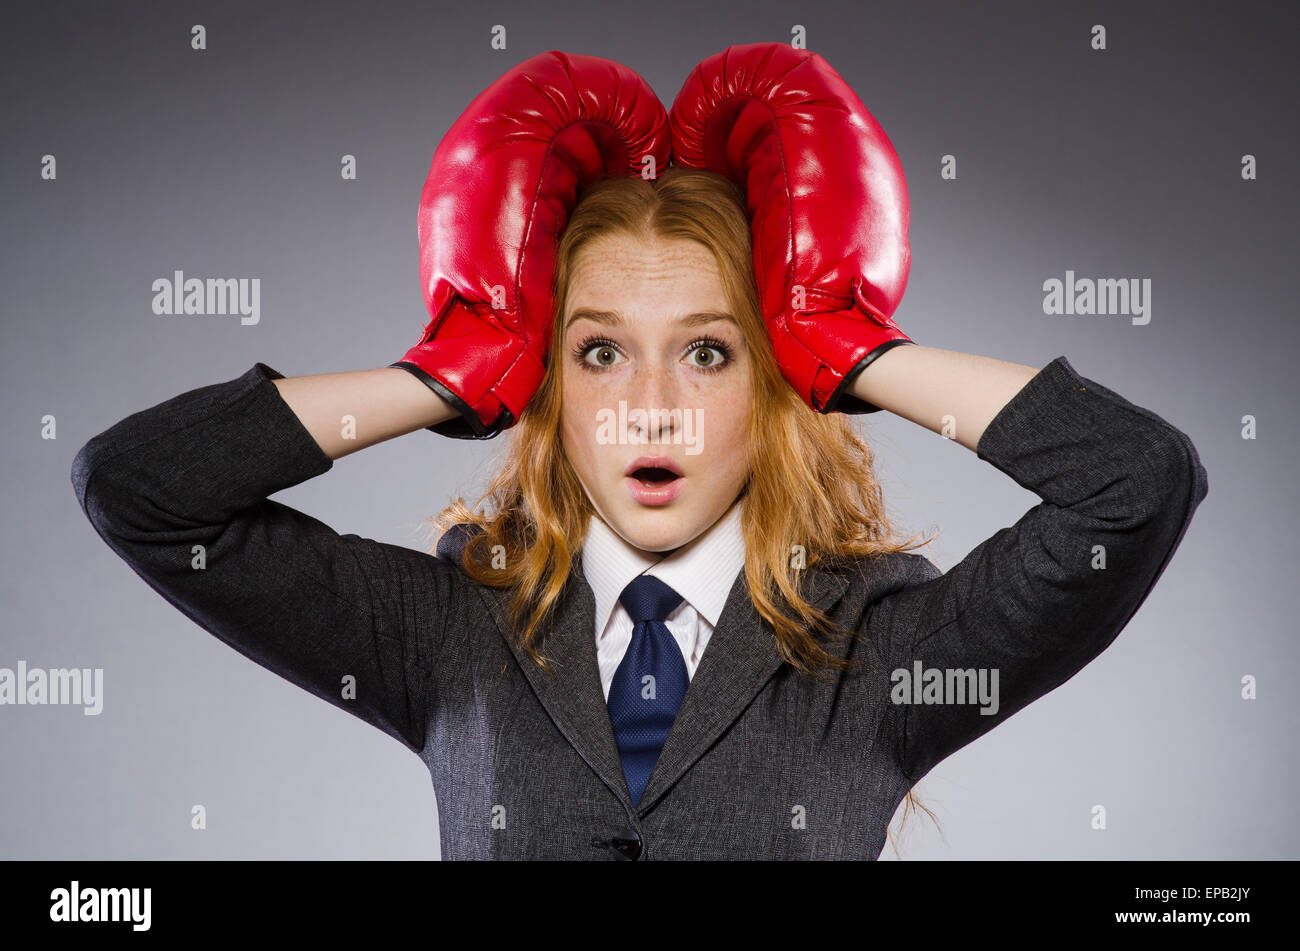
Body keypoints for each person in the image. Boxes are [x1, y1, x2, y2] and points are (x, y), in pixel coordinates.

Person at [70, 45, 1208, 860]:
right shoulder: (445, 632)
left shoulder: (886, 652)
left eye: (710, 354)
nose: (647, 409)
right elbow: (141, 491)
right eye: (599, 354)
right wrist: (445, 374)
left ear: (775, 381)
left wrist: (846, 341)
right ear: (542, 376)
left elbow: (1135, 484)